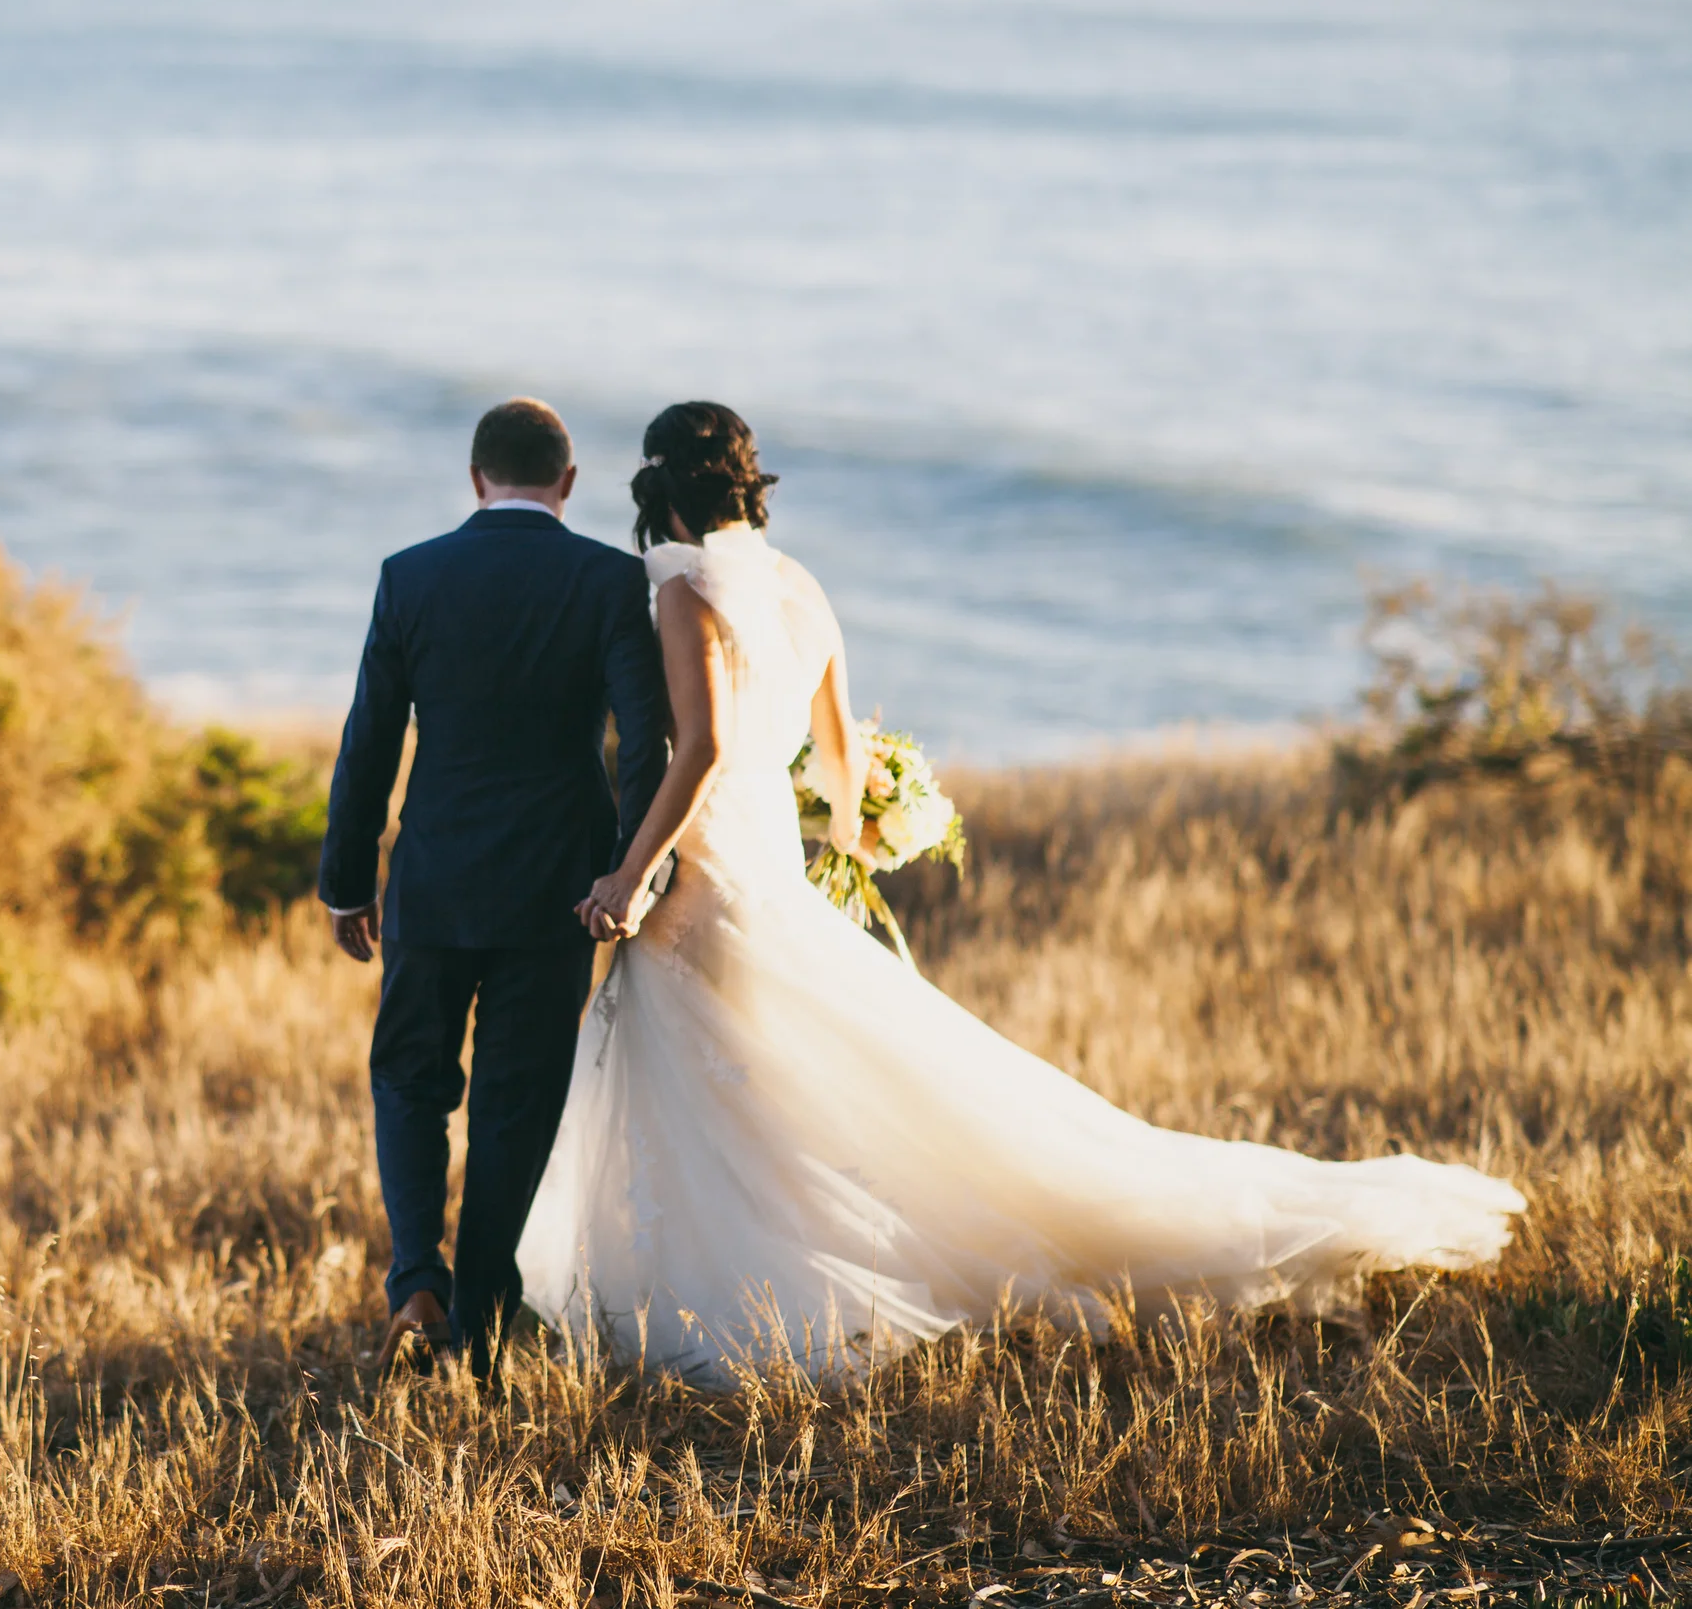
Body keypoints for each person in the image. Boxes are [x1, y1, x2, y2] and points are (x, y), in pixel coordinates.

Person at [519, 401, 1525, 1387]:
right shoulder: (797, 588)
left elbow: (697, 750)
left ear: (658, 486)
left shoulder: (682, 591)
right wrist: (854, 829)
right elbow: (834, 761)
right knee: (776, 1086)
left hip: (707, 872)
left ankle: (749, 1296)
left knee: (725, 1089)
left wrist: (625, 870)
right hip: (768, 862)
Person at [320, 397, 669, 1380]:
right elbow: (645, 741)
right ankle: (478, 1317)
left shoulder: (411, 575)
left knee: (408, 1080)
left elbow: (369, 743)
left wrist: (348, 880)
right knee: (515, 1103)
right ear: (566, 483)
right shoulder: (608, 578)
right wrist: (630, 867)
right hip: (556, 888)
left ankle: (413, 1283)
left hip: (431, 878)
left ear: (476, 479)